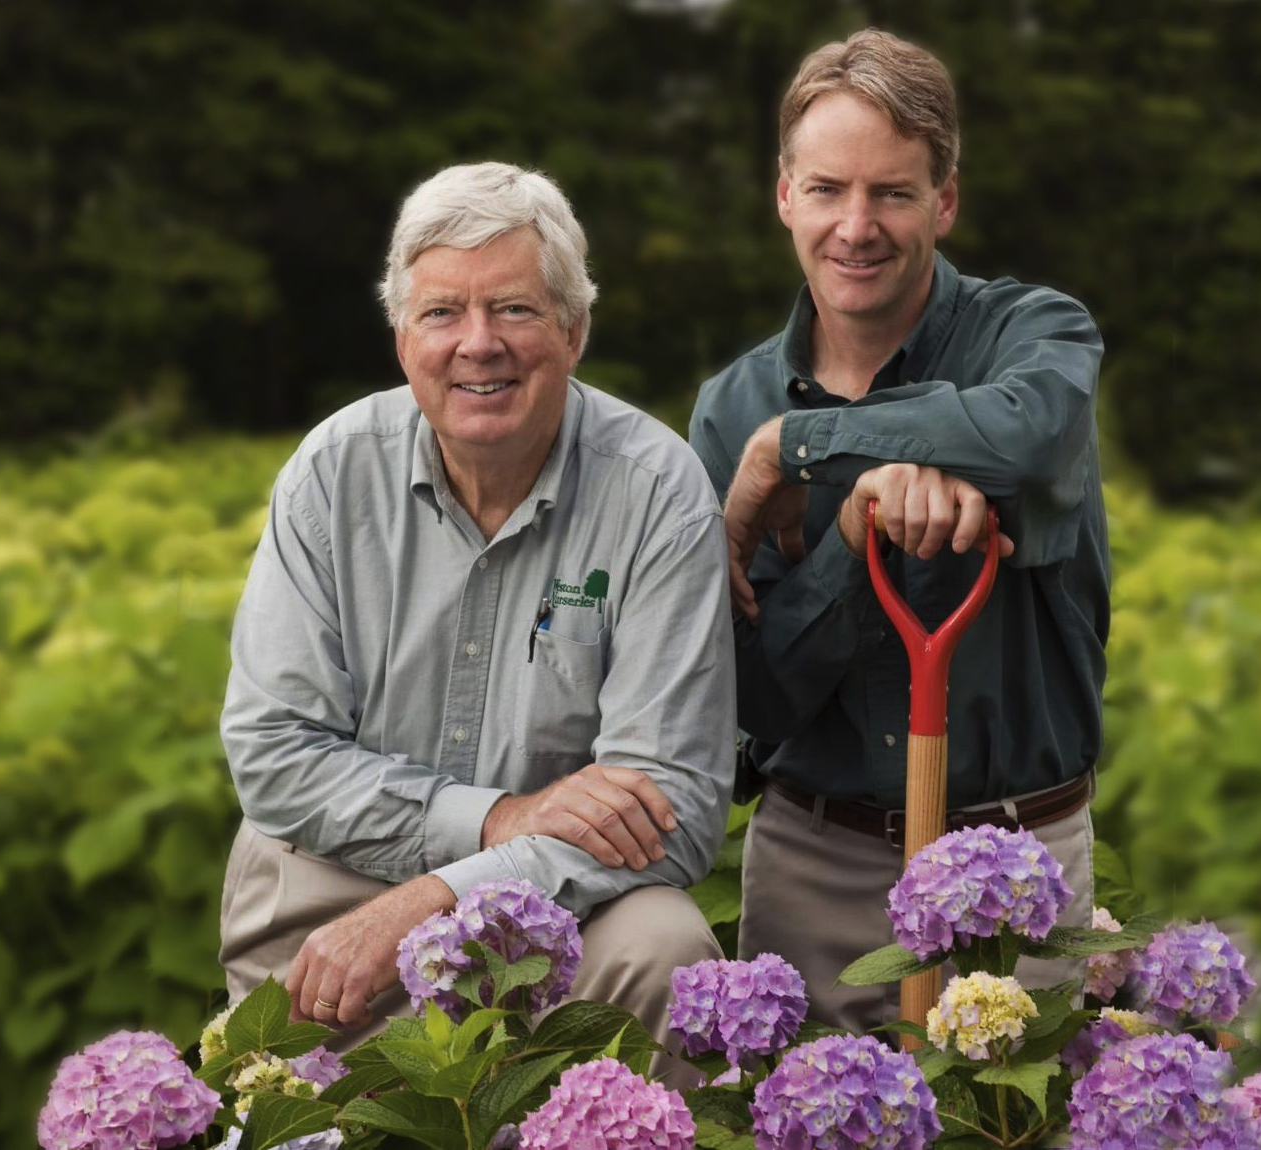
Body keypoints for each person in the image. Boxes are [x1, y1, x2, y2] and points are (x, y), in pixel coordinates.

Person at [218, 162, 734, 1069]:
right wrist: (496, 819)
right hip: (330, 898)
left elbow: (678, 808)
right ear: (401, 336)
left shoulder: (657, 492)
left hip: (556, 920)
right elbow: (274, 752)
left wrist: (441, 896)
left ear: (574, 331)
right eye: (442, 313)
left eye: (515, 309)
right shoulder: (330, 473)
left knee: (664, 943)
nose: (478, 343)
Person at [688, 29, 1108, 1031]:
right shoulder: (729, 405)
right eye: (828, 188)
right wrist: (861, 519)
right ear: (785, 194)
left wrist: (797, 448)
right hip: (814, 873)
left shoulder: (1035, 337)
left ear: (946, 200)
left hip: (1019, 872)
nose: (857, 225)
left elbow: (1027, 438)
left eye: (895, 192)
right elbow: (754, 694)